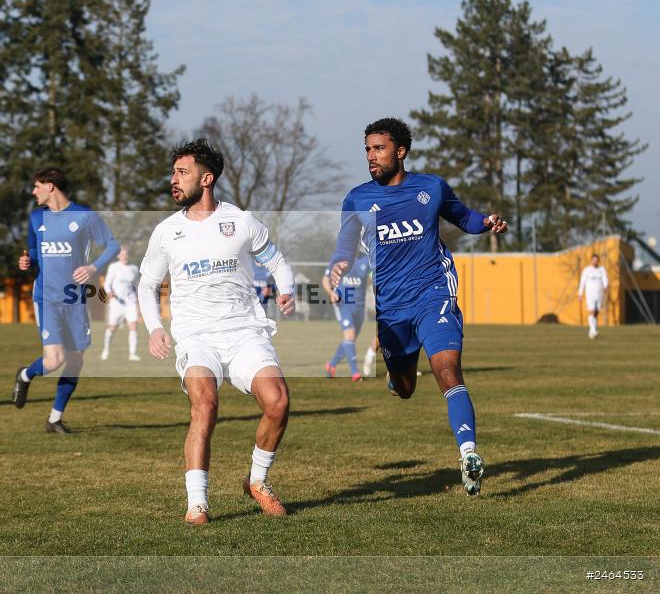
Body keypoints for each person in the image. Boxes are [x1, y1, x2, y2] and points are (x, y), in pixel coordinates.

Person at [330, 118, 507, 496]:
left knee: (446, 368)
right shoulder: (357, 198)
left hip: (433, 293)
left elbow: (465, 218)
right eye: (367, 149)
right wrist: (337, 267)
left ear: (401, 151)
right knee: (405, 387)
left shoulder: (431, 188)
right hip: (392, 309)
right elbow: (345, 246)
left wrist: (487, 221)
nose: (371, 156)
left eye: (379, 148)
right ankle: (398, 377)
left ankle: (469, 454)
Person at [138, 138, 296, 525]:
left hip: (245, 332)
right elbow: (146, 284)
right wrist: (155, 328)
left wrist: (287, 289)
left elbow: (277, 261)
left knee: (278, 403)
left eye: (182, 172)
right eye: (173, 172)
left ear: (206, 179)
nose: (173, 180)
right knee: (204, 406)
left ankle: (257, 482)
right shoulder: (166, 231)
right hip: (196, 337)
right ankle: (198, 503)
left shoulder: (240, 221)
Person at [12, 167, 120, 433]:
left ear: (50, 186)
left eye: (37, 186)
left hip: (75, 300)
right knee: (53, 361)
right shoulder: (37, 218)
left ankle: (54, 419)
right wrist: (27, 261)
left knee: (75, 362)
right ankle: (26, 374)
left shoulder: (84, 216)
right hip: (46, 299)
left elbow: (113, 245)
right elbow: (34, 253)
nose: (34, 191)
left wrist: (93, 268)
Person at [321, 252, 371, 382]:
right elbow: (325, 279)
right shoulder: (338, 258)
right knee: (350, 335)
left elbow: (373, 277)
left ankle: (331, 365)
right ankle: (355, 373)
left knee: (350, 340)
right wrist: (331, 293)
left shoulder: (366, 259)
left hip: (360, 306)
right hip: (343, 304)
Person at [100, 247, 141, 361]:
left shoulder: (134, 268)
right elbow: (107, 284)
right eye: (122, 255)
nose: (125, 256)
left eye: (126, 254)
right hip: (117, 302)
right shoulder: (114, 267)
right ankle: (106, 350)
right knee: (112, 328)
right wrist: (110, 293)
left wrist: (137, 301)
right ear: (118, 256)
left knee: (133, 326)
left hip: (130, 302)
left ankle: (132, 354)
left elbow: (136, 285)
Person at [578, 253, 608, 339]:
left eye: (596, 260)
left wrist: (606, 288)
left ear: (598, 260)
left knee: (596, 312)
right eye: (593, 260)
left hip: (599, 294)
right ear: (591, 260)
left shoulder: (602, 270)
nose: (595, 261)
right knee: (592, 311)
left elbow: (605, 280)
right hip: (590, 294)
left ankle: (592, 331)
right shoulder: (587, 270)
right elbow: (582, 282)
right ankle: (593, 330)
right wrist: (580, 294)